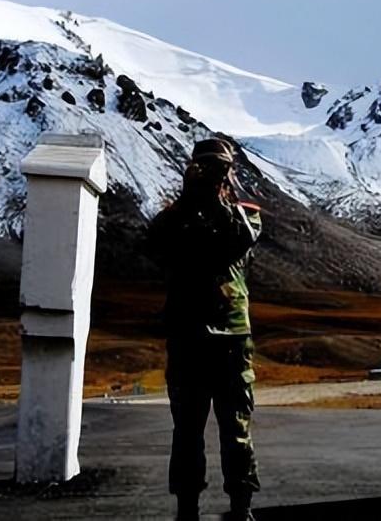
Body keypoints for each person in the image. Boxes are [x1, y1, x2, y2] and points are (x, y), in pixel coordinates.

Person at [147, 138, 264, 521]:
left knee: (236, 430)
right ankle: (187, 508)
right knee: (187, 432)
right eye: (207, 167)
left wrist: (214, 199)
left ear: (230, 174)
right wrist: (188, 199)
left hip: (230, 341)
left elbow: (240, 240)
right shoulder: (174, 218)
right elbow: (153, 244)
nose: (213, 174)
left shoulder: (244, 215)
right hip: (188, 339)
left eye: (219, 168)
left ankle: (241, 505)